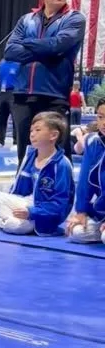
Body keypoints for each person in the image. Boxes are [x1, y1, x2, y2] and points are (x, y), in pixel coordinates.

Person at [4, 0, 86, 162]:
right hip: (22, 95)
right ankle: (24, 182)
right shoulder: (26, 20)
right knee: (25, 156)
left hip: (54, 97)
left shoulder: (75, 18)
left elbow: (57, 46)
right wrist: (45, 49)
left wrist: (27, 43)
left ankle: (59, 184)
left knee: (57, 156)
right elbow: (10, 51)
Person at [0, 112, 74, 236]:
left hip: (43, 214)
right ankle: (2, 218)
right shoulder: (29, 156)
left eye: (38, 130)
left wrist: (32, 212)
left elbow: (60, 204)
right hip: (24, 204)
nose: (32, 134)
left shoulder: (62, 164)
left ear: (53, 135)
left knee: (16, 226)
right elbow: (17, 190)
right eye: (31, 130)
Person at [66, 98, 105, 243]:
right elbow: (84, 181)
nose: (104, 123)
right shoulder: (92, 142)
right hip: (100, 211)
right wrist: (81, 211)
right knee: (77, 232)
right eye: (100, 117)